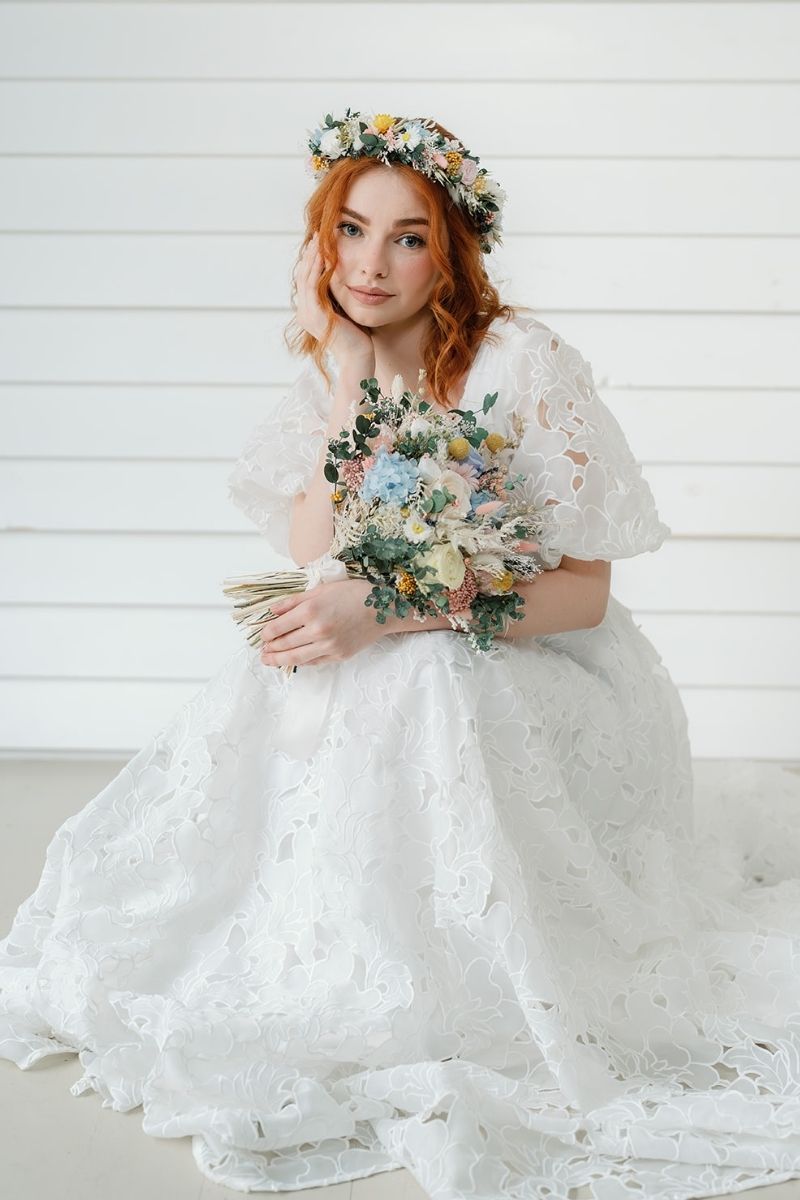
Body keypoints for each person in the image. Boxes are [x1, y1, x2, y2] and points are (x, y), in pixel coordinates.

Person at [1, 110, 799, 1200]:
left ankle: (455, 979)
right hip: (401, 662)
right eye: (351, 231)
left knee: (416, 669)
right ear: (318, 246)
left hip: (546, 673)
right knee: (292, 660)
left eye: (409, 236)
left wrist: (390, 615)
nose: (372, 264)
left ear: (452, 251)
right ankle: (335, 955)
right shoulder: (325, 377)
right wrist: (344, 377)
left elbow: (582, 593)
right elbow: (319, 560)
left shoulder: (521, 366)